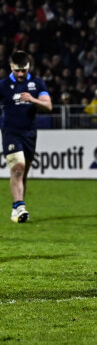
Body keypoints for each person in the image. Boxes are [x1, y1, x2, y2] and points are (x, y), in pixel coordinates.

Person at [0, 51, 52, 223]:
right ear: (11, 68)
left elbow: (48, 106)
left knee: (23, 172)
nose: (20, 74)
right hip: (10, 132)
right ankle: (20, 206)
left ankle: (16, 209)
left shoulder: (37, 83)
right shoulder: (3, 85)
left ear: (28, 67)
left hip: (29, 133)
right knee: (18, 167)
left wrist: (33, 100)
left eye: (23, 70)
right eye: (17, 71)